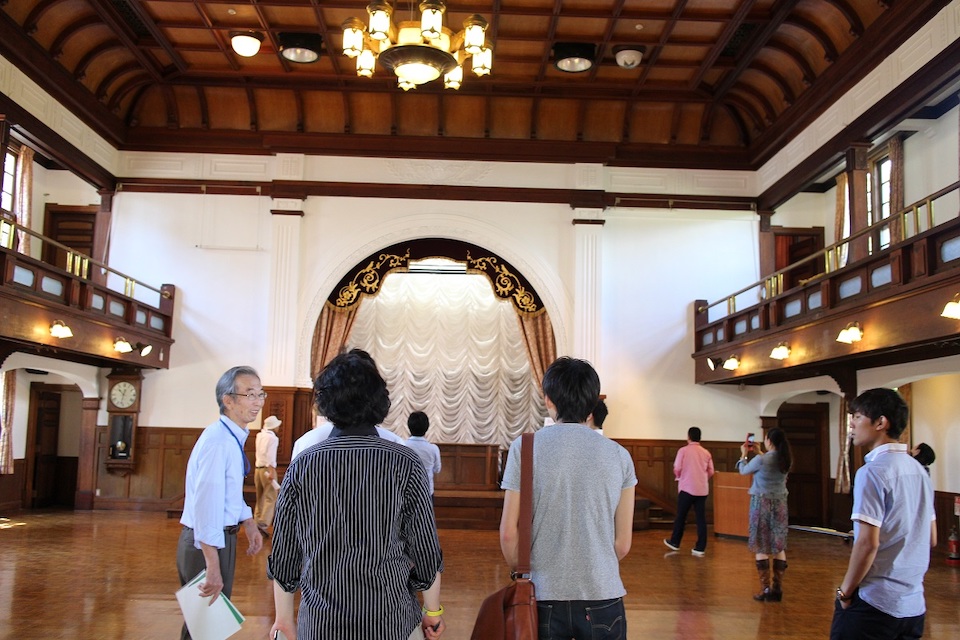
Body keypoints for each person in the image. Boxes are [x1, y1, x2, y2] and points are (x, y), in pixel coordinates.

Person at [268, 351, 445, 640]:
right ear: (380, 401)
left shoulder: (304, 464)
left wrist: (284, 618)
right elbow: (425, 550)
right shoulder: (404, 462)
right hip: (391, 620)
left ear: (326, 403)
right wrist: (433, 611)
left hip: (322, 622)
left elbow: (285, 552)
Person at [499, 357, 637, 640]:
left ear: (548, 400)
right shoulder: (619, 456)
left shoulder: (524, 448)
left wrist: (522, 568)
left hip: (542, 594)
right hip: (603, 594)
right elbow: (622, 544)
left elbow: (508, 534)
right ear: (592, 404)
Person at [830, 388, 937, 640]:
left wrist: (845, 593)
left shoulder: (872, 472)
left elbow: (867, 544)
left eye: (857, 417)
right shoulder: (919, 471)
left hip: (874, 604)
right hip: (913, 606)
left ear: (880, 422)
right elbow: (930, 538)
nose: (851, 425)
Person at [176, 365, 265, 640]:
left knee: (206, 625)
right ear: (228, 400)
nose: (258, 402)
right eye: (249, 394)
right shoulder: (219, 442)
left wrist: (248, 521)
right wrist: (212, 566)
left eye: (261, 394)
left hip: (217, 541)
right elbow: (206, 508)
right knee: (204, 626)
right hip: (206, 544)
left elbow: (229, 492)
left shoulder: (230, 437)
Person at [737, 427, 792, 602]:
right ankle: (777, 588)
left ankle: (765, 588)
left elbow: (744, 470)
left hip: (761, 503)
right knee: (778, 544)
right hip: (780, 503)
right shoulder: (786, 459)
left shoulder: (761, 459)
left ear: (769, 440)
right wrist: (760, 452)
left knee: (761, 543)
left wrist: (743, 455)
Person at [664, 426, 715, 556]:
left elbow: (677, 467)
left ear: (688, 437)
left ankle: (675, 542)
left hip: (686, 487)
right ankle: (700, 547)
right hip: (702, 489)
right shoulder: (706, 452)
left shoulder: (683, 451)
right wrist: (702, 479)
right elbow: (711, 471)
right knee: (701, 519)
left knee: (681, 516)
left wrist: (680, 476)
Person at [253, 414, 281, 538]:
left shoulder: (260, 435)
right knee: (271, 497)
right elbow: (270, 456)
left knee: (260, 496)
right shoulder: (273, 438)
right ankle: (263, 524)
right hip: (267, 469)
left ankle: (256, 520)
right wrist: (271, 471)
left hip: (258, 469)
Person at [404, 411, 442, 497]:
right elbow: (437, 469)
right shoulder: (433, 449)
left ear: (409, 426)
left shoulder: (402, 445)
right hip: (427, 491)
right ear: (427, 427)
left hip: (406, 491)